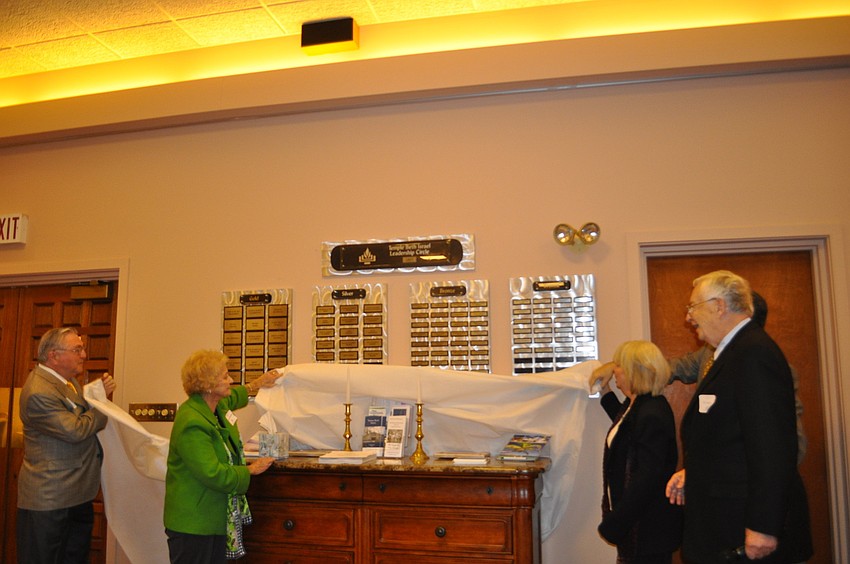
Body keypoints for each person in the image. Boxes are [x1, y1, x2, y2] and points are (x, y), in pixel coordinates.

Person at [665, 270, 812, 563]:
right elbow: (733, 440)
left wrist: (763, 526)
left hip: (742, 527)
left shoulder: (753, 354)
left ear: (719, 306)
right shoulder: (733, 352)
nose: (688, 318)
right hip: (724, 521)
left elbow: (772, 447)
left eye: (693, 307)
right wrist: (693, 472)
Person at [590, 292, 807, 465]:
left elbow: (790, 444)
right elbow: (665, 368)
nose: (690, 317)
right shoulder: (707, 354)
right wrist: (617, 366)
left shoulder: (772, 369)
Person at [164, 350, 279, 563]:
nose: (231, 380)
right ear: (208, 385)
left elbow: (235, 396)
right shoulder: (192, 421)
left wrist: (258, 384)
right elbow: (212, 473)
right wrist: (249, 470)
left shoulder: (215, 405)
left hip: (211, 520)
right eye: (225, 377)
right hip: (194, 524)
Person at [17, 327, 117, 564]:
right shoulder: (38, 392)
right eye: (77, 349)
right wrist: (101, 405)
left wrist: (95, 393)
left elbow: (76, 409)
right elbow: (76, 429)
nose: (83, 355)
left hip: (75, 494)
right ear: (54, 355)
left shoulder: (66, 381)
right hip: (50, 499)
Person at [596, 340, 682, 564]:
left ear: (636, 371)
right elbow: (623, 431)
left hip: (647, 529)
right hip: (637, 526)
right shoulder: (635, 405)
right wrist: (604, 392)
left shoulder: (653, 411)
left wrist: (616, 522)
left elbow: (647, 477)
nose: (614, 371)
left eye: (619, 365)